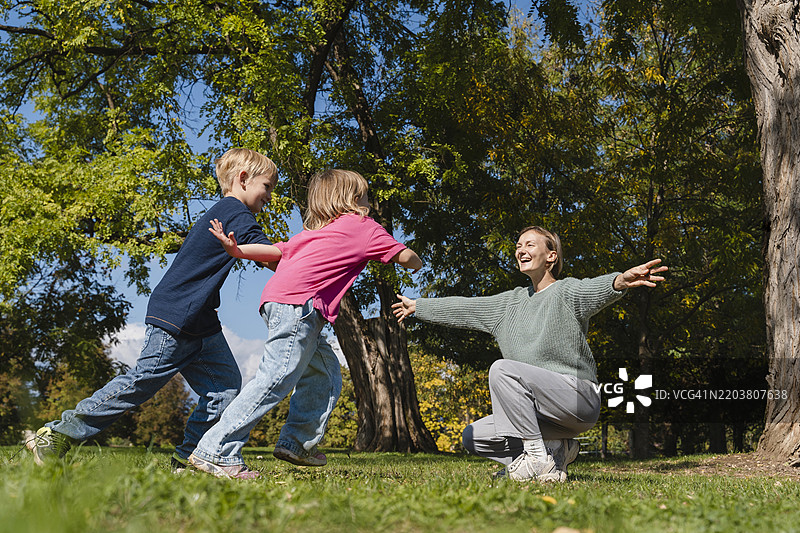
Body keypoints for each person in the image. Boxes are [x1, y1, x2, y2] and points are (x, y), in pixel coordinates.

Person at [28, 148, 280, 472]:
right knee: (143, 380)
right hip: (179, 313)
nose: (269, 196)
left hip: (200, 319)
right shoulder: (234, 211)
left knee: (224, 386)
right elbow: (269, 256)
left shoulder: (226, 212)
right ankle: (58, 434)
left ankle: (190, 459)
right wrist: (307, 258)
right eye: (267, 187)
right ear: (243, 179)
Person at [187, 169, 423, 479]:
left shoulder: (316, 232)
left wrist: (237, 250)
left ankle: (296, 443)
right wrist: (415, 260)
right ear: (354, 199)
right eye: (366, 195)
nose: (369, 201)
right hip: (300, 308)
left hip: (279, 302)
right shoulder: (365, 227)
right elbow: (406, 258)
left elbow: (276, 251)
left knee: (324, 374)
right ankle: (215, 449)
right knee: (275, 379)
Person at [392, 226, 667, 483]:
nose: (521, 250)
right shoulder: (508, 304)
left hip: (577, 399)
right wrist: (419, 306)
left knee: (502, 369)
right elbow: (466, 308)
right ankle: (557, 452)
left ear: (551, 256)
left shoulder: (566, 292)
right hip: (541, 413)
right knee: (474, 436)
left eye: (530, 244)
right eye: (518, 245)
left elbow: (592, 290)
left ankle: (537, 458)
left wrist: (620, 280)